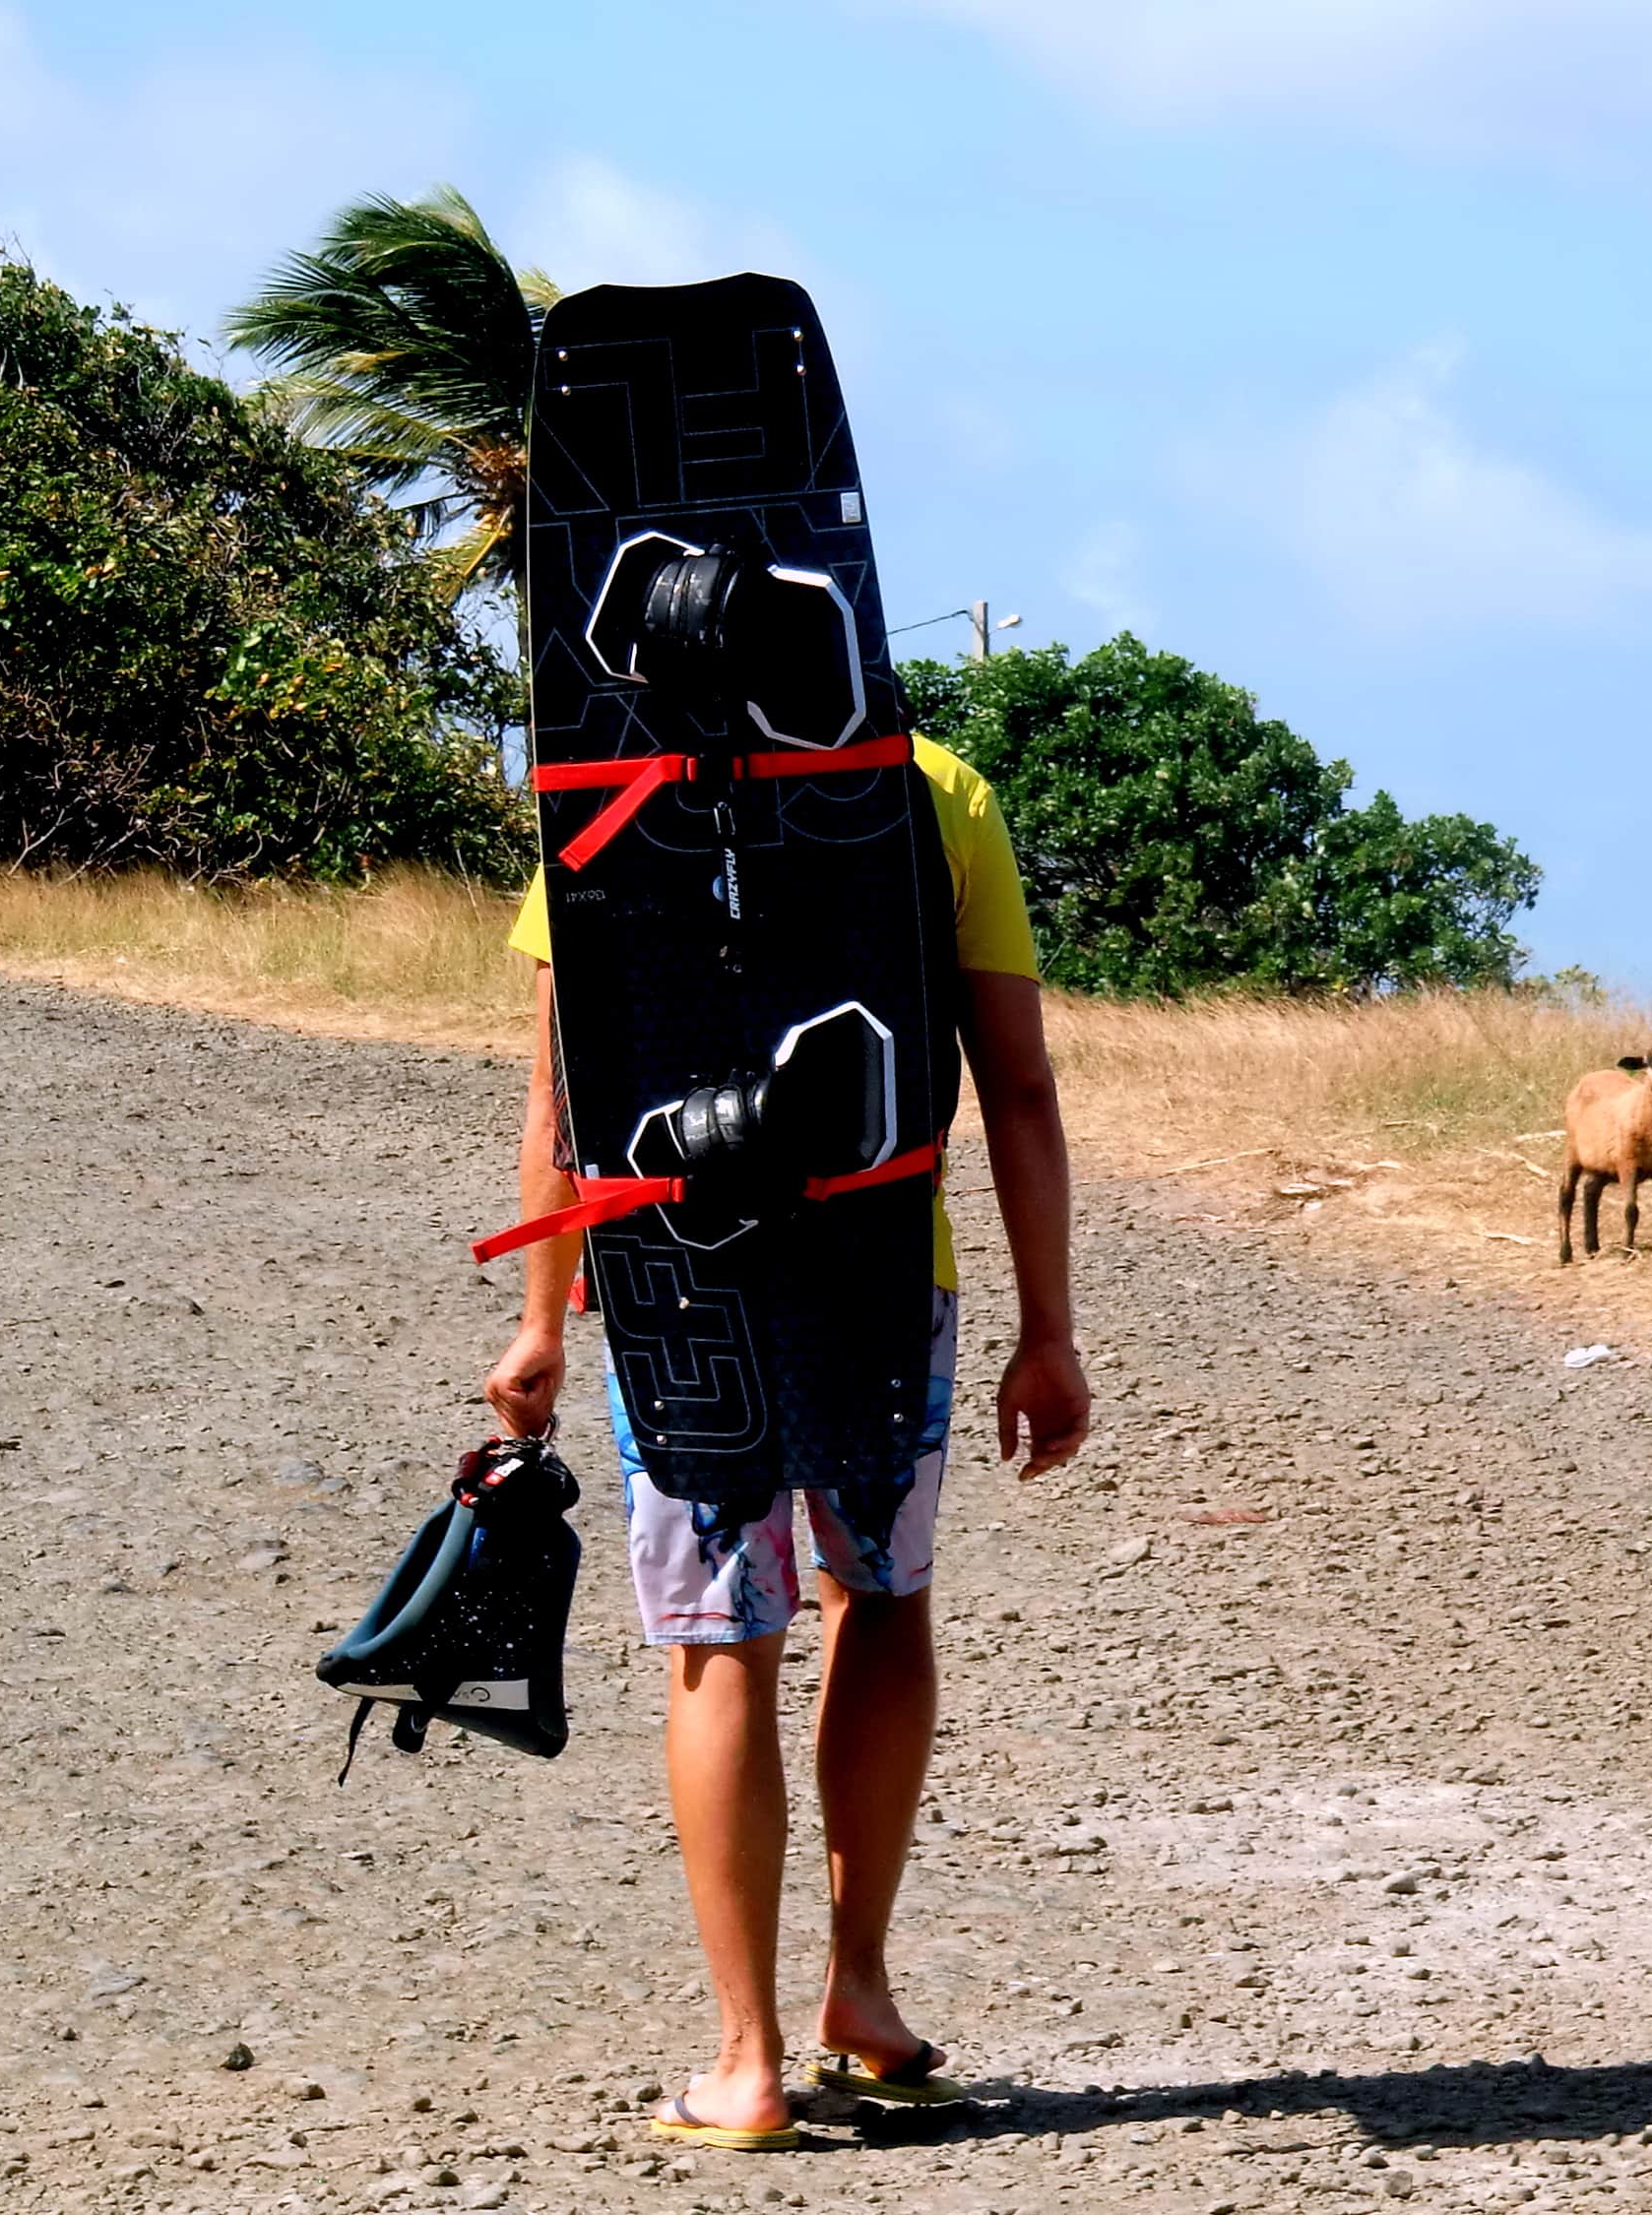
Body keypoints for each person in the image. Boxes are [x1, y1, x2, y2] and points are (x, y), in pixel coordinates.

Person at [480, 738, 1092, 2151]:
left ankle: (745, 2062)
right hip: (882, 1263)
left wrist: (544, 1321)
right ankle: (859, 1993)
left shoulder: (606, 776)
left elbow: (564, 1094)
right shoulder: (932, 782)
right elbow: (1017, 1086)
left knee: (719, 1637)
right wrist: (1047, 1325)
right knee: (879, 1595)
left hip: (672, 1273)